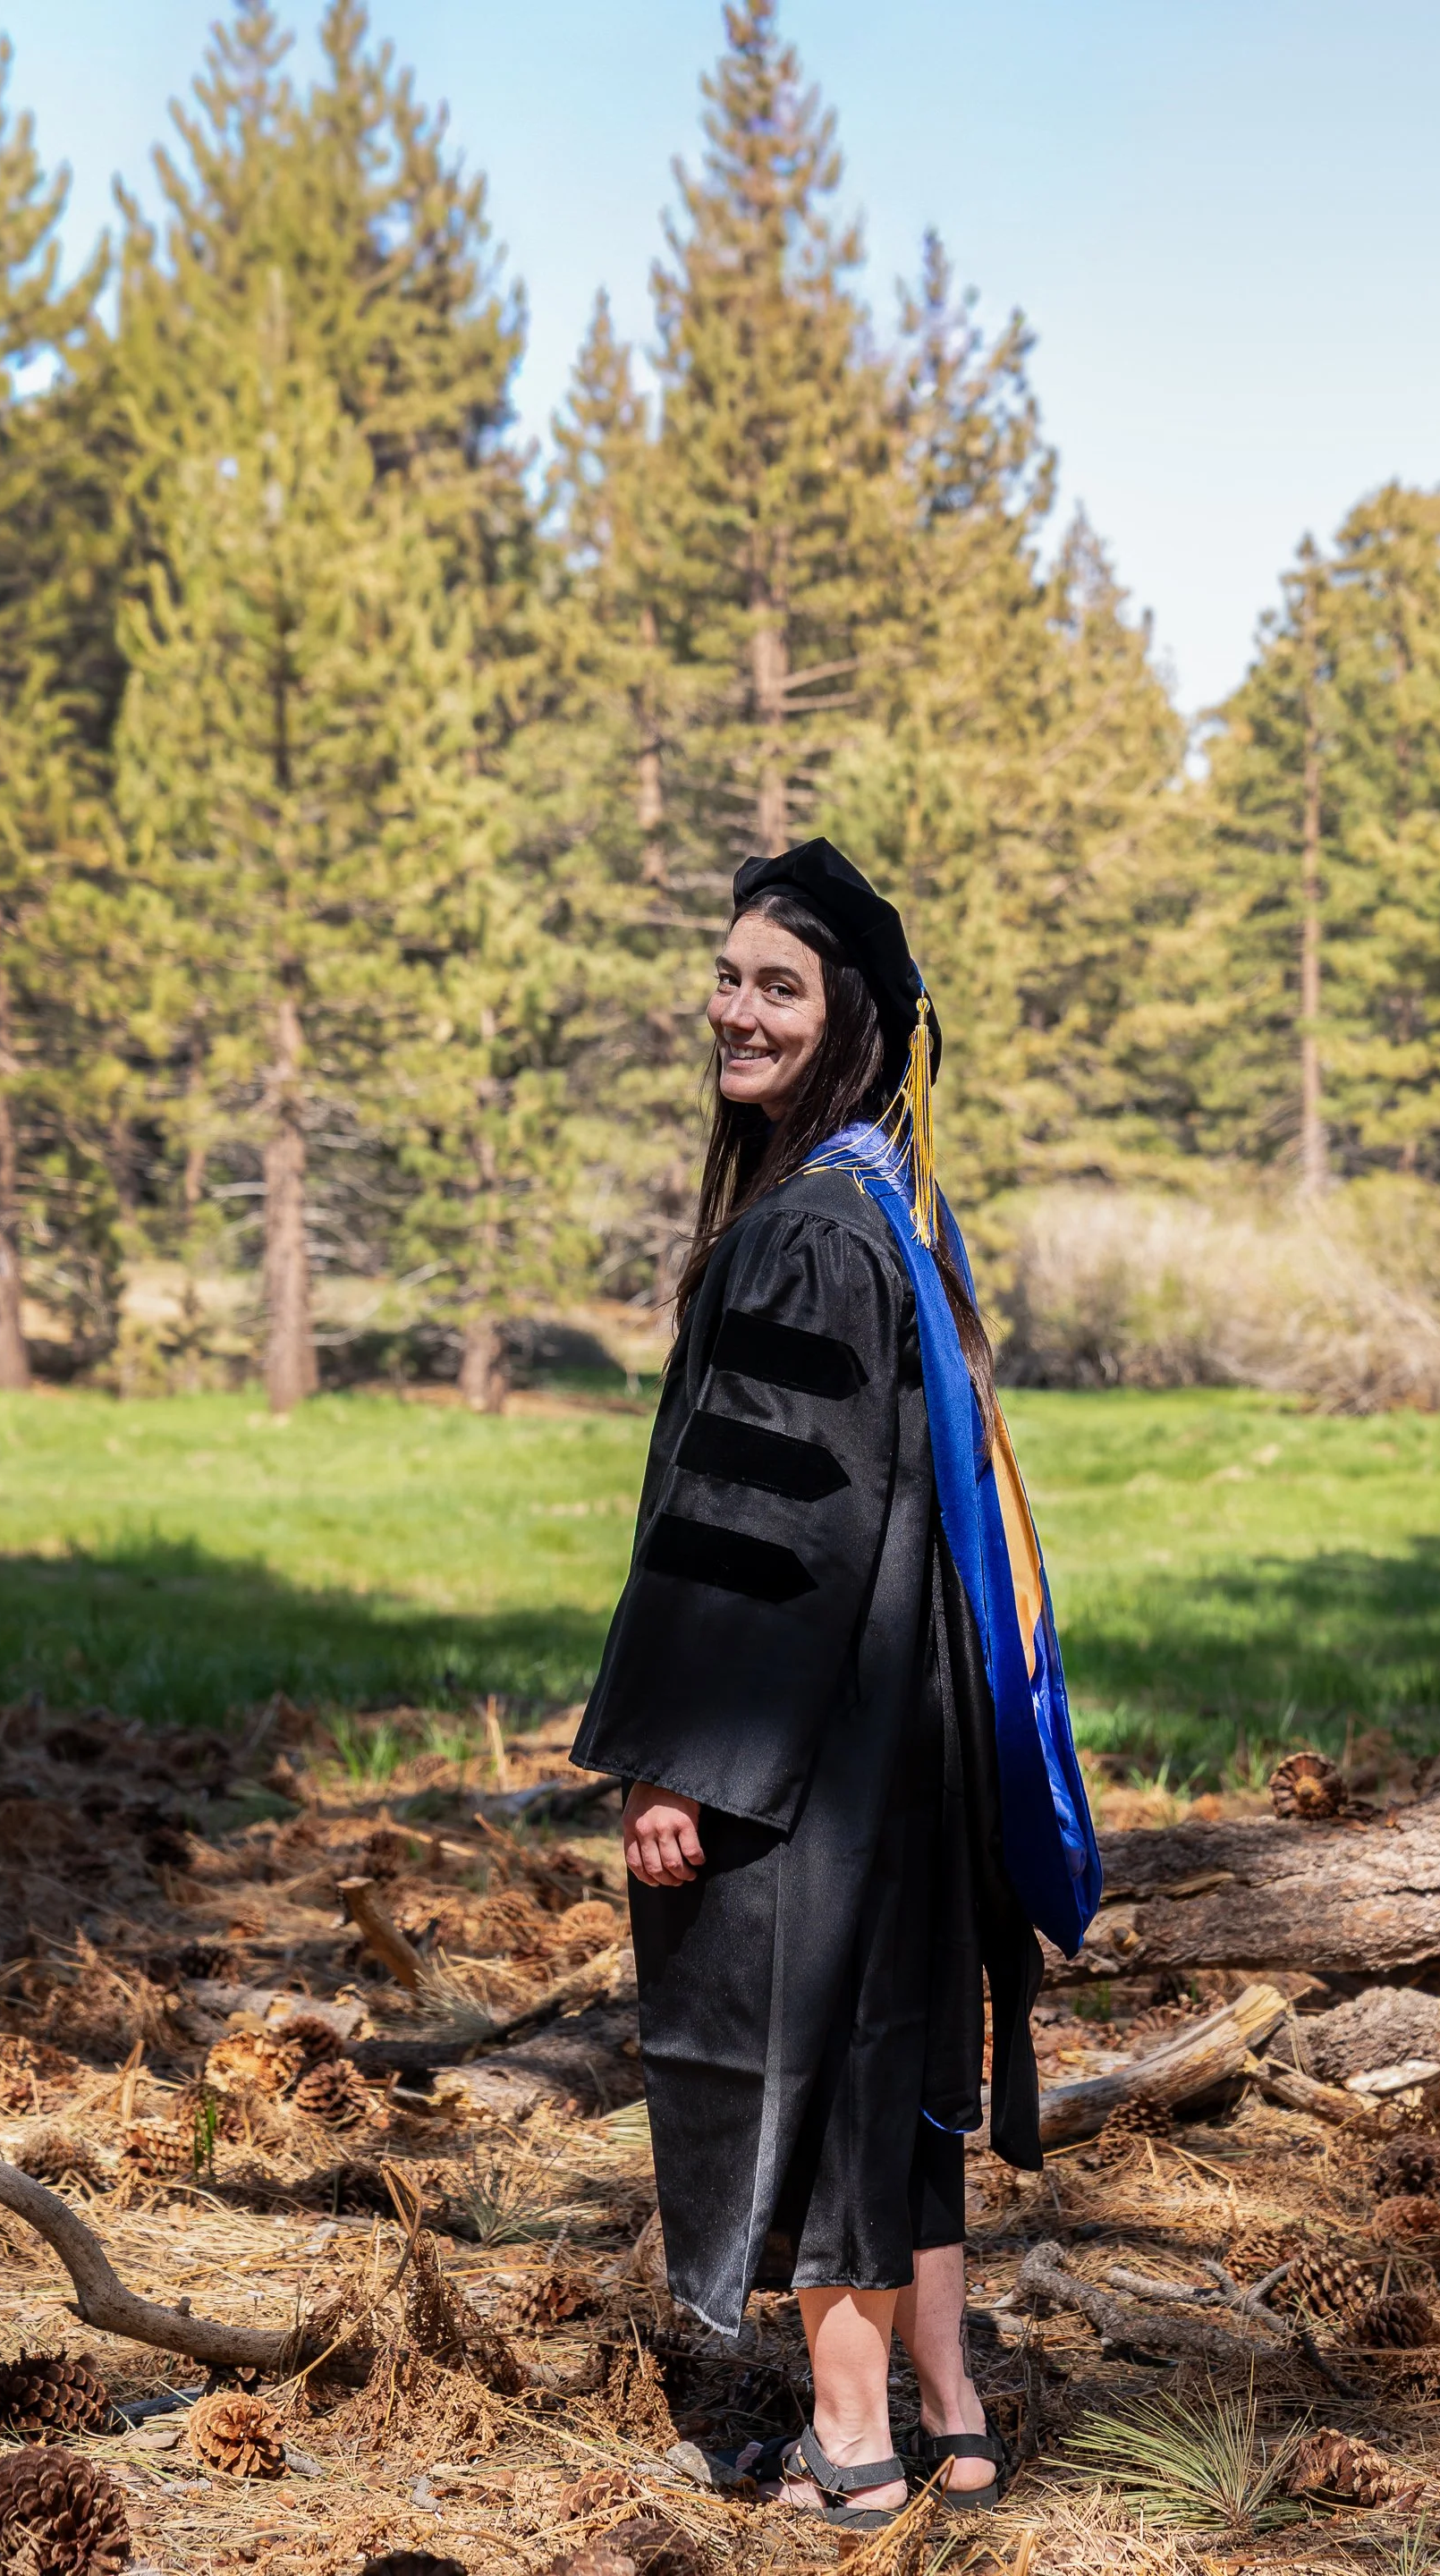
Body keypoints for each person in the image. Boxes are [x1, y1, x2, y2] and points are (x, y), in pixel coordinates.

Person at [572, 839, 1100, 2529]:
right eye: (728, 979)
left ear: (854, 1018)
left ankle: (851, 2443)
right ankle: (952, 2417)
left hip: (798, 1754)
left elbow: (758, 1537)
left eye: (778, 987)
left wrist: (683, 1766)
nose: (737, 1010)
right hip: (902, 1743)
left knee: (797, 2060)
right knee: (890, 2068)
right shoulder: (893, 1209)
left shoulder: (807, 1238)